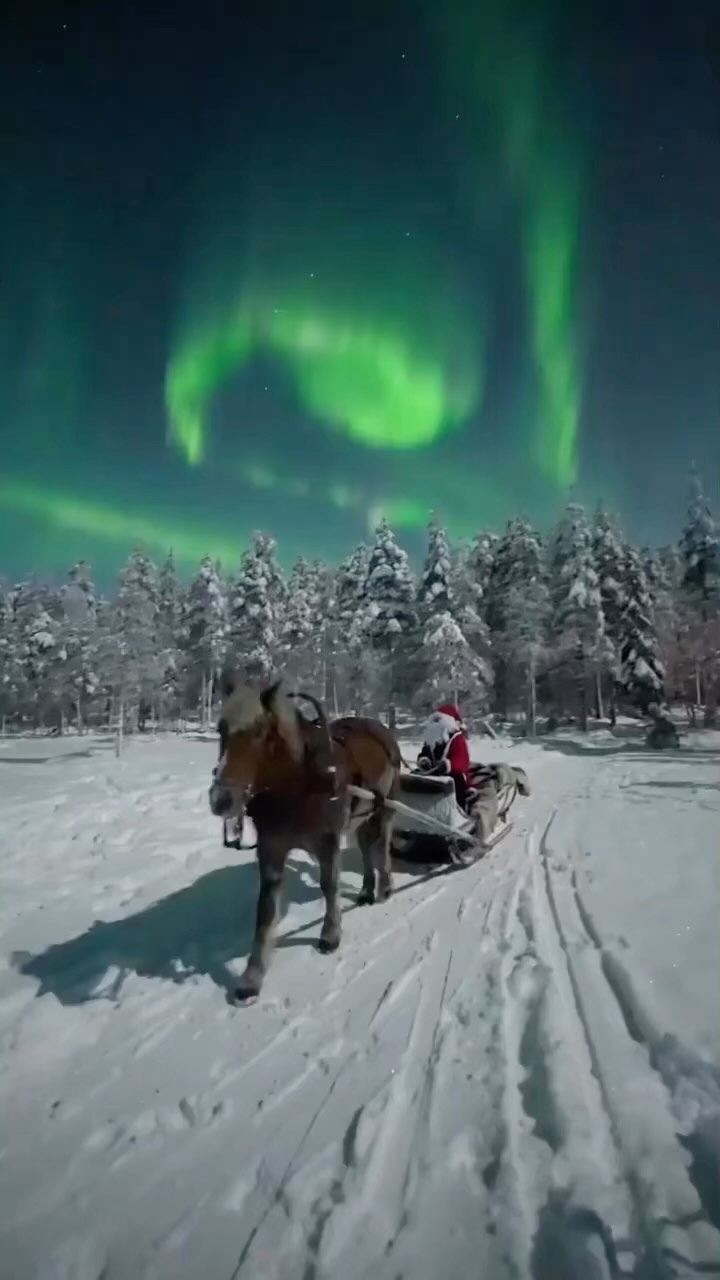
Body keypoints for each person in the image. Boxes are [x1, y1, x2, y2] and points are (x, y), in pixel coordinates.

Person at [416, 702, 471, 809]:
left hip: (453, 774)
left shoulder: (457, 738)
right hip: (434, 773)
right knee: (416, 776)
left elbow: (462, 760)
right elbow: (425, 752)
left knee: (456, 780)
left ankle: (459, 809)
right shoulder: (431, 739)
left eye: (439, 721)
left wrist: (448, 765)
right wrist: (424, 760)